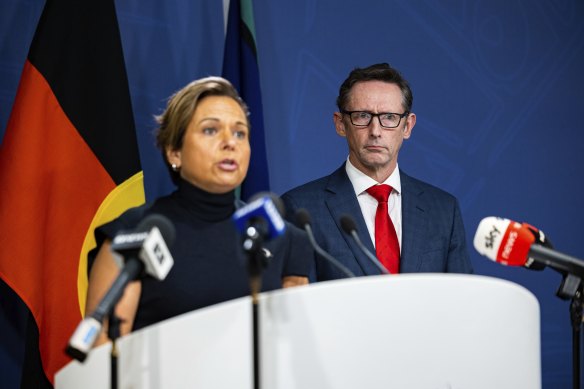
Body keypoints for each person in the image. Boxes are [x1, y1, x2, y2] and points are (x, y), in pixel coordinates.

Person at [86, 76, 311, 345]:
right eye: (210, 130)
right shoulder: (134, 233)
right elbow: (105, 353)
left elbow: (293, 346)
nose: (231, 142)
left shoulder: (284, 239)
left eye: (240, 133)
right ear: (174, 152)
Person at [282, 63, 473, 281]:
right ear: (340, 124)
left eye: (389, 117)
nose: (376, 131)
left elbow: (462, 301)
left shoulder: (443, 211)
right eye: (363, 116)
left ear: (408, 126)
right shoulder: (300, 209)